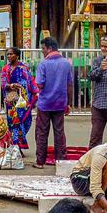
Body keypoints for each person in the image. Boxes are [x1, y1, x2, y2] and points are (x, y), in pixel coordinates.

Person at [34, 36, 74, 168]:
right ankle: (60, 161)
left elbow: (39, 84)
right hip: (60, 103)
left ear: (49, 49)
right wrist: (68, 103)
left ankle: (40, 162)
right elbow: (70, 85)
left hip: (45, 104)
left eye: (43, 48)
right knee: (59, 133)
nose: (42, 51)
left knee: (41, 132)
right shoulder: (66, 63)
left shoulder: (43, 64)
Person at [0, 47, 36, 149]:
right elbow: (3, 83)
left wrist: (35, 94)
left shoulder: (24, 68)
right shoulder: (5, 69)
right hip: (12, 102)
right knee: (14, 124)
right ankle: (16, 147)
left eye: (11, 54)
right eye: (8, 54)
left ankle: (17, 144)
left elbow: (31, 82)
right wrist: (11, 85)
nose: (9, 56)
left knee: (27, 122)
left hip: (24, 101)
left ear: (17, 55)